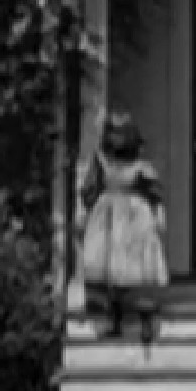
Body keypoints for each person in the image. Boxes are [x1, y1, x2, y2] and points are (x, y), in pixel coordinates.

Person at [78, 111, 168, 342]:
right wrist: (85, 213)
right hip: (109, 220)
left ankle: (144, 321)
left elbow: (154, 192)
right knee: (109, 270)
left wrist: (158, 214)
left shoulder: (141, 168)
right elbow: (89, 189)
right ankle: (114, 320)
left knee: (137, 271)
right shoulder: (102, 163)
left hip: (133, 219)